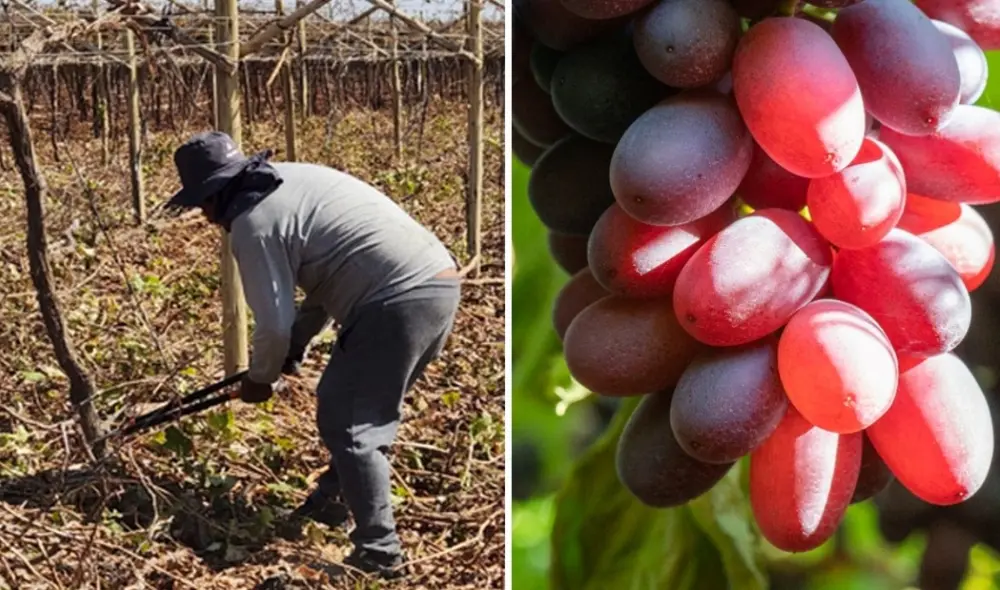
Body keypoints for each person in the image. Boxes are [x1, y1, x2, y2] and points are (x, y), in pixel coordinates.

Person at [165, 130, 461, 578]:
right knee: (361, 411)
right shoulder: (292, 180)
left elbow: (271, 324)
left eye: (203, 203)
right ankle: (330, 504)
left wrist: (260, 379)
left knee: (350, 422)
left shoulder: (253, 223)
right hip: (438, 283)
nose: (205, 217)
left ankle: (380, 554)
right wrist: (297, 346)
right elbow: (326, 285)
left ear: (218, 192)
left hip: (396, 300)